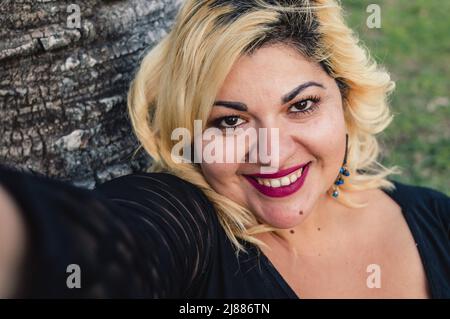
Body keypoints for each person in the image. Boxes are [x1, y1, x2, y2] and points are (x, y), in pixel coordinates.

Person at [0, 0, 449, 298]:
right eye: (229, 121)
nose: (271, 155)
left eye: (301, 105)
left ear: (346, 99)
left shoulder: (437, 219)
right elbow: (96, 245)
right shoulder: (189, 229)